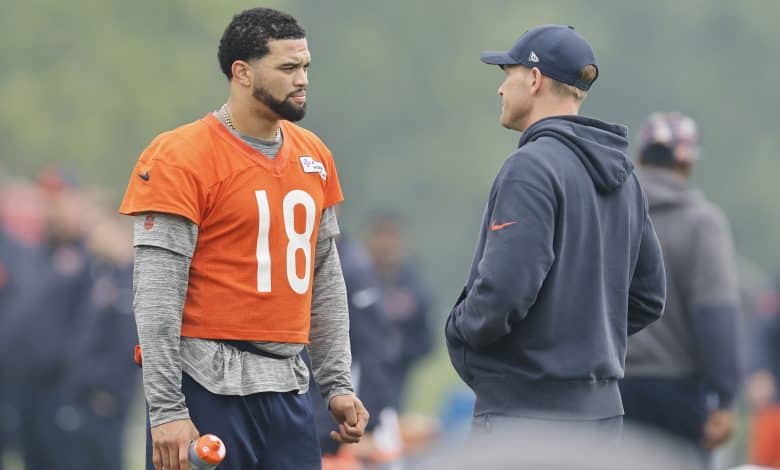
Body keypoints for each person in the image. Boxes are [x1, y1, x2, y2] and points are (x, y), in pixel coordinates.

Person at [119, 8, 368, 470]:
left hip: (288, 387)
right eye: (288, 68)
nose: (302, 79)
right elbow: (155, 296)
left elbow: (325, 279)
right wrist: (168, 409)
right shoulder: (180, 155)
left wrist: (336, 383)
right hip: (207, 385)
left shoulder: (314, 155)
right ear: (242, 73)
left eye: (306, 66)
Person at [444, 25, 666, 439]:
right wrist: (583, 343)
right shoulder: (626, 178)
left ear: (533, 79)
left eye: (507, 74)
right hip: (602, 418)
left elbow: (504, 290)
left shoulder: (530, 167)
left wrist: (460, 330)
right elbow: (649, 297)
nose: (500, 89)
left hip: (526, 416)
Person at [620, 113, 742, 463]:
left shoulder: (614, 213)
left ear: (641, 156)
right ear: (687, 162)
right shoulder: (702, 222)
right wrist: (725, 396)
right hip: (676, 391)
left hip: (609, 386)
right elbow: (714, 315)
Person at [365, 211, 433, 410]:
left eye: (392, 235)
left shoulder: (413, 283)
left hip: (397, 374)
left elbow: (427, 336)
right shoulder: (357, 278)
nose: (386, 243)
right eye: (381, 235)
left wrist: (400, 347)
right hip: (359, 371)